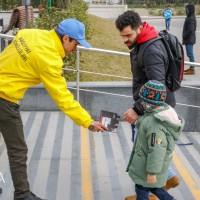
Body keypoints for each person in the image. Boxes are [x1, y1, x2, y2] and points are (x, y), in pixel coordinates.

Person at [0, 18, 107, 200]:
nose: (76, 49)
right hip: (4, 100)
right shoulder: (49, 60)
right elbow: (63, 98)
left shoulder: (29, 33)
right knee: (18, 150)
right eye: (75, 43)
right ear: (65, 38)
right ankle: (22, 195)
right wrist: (88, 122)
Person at [115, 10, 180, 200]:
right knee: (145, 149)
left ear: (140, 28)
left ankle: (147, 188)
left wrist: (137, 110)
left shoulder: (151, 50)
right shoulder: (142, 43)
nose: (125, 40)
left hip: (155, 112)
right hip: (150, 108)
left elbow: (157, 86)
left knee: (145, 150)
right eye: (122, 36)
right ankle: (165, 179)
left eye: (128, 35)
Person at [126, 80, 184, 200]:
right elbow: (145, 121)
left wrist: (152, 172)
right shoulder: (153, 112)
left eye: (143, 100)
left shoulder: (155, 125)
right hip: (145, 164)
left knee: (141, 190)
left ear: (149, 102)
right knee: (155, 188)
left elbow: (157, 150)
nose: (141, 103)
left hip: (147, 167)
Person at [182, 4, 197, 75]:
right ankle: (191, 67)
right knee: (189, 54)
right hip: (189, 39)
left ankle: (192, 69)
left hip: (189, 39)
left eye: (187, 9)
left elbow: (191, 30)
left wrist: (184, 36)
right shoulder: (191, 17)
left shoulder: (190, 18)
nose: (186, 11)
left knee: (190, 54)